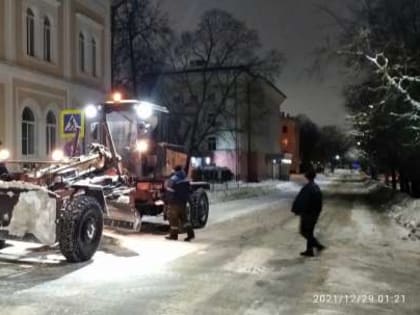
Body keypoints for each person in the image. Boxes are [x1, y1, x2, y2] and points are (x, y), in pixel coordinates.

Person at [291, 167, 325, 257]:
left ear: (307, 177)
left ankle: (317, 245)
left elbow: (303, 200)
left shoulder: (309, 188)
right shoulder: (315, 187)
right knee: (309, 232)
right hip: (313, 213)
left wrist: (297, 210)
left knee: (304, 231)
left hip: (308, 213)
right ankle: (309, 250)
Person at [165, 165, 195, 241]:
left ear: (174, 170)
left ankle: (174, 235)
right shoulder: (185, 179)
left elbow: (169, 191)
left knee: (173, 219)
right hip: (183, 203)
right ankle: (190, 234)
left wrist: (167, 200)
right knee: (184, 219)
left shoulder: (173, 179)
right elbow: (189, 190)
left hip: (174, 203)